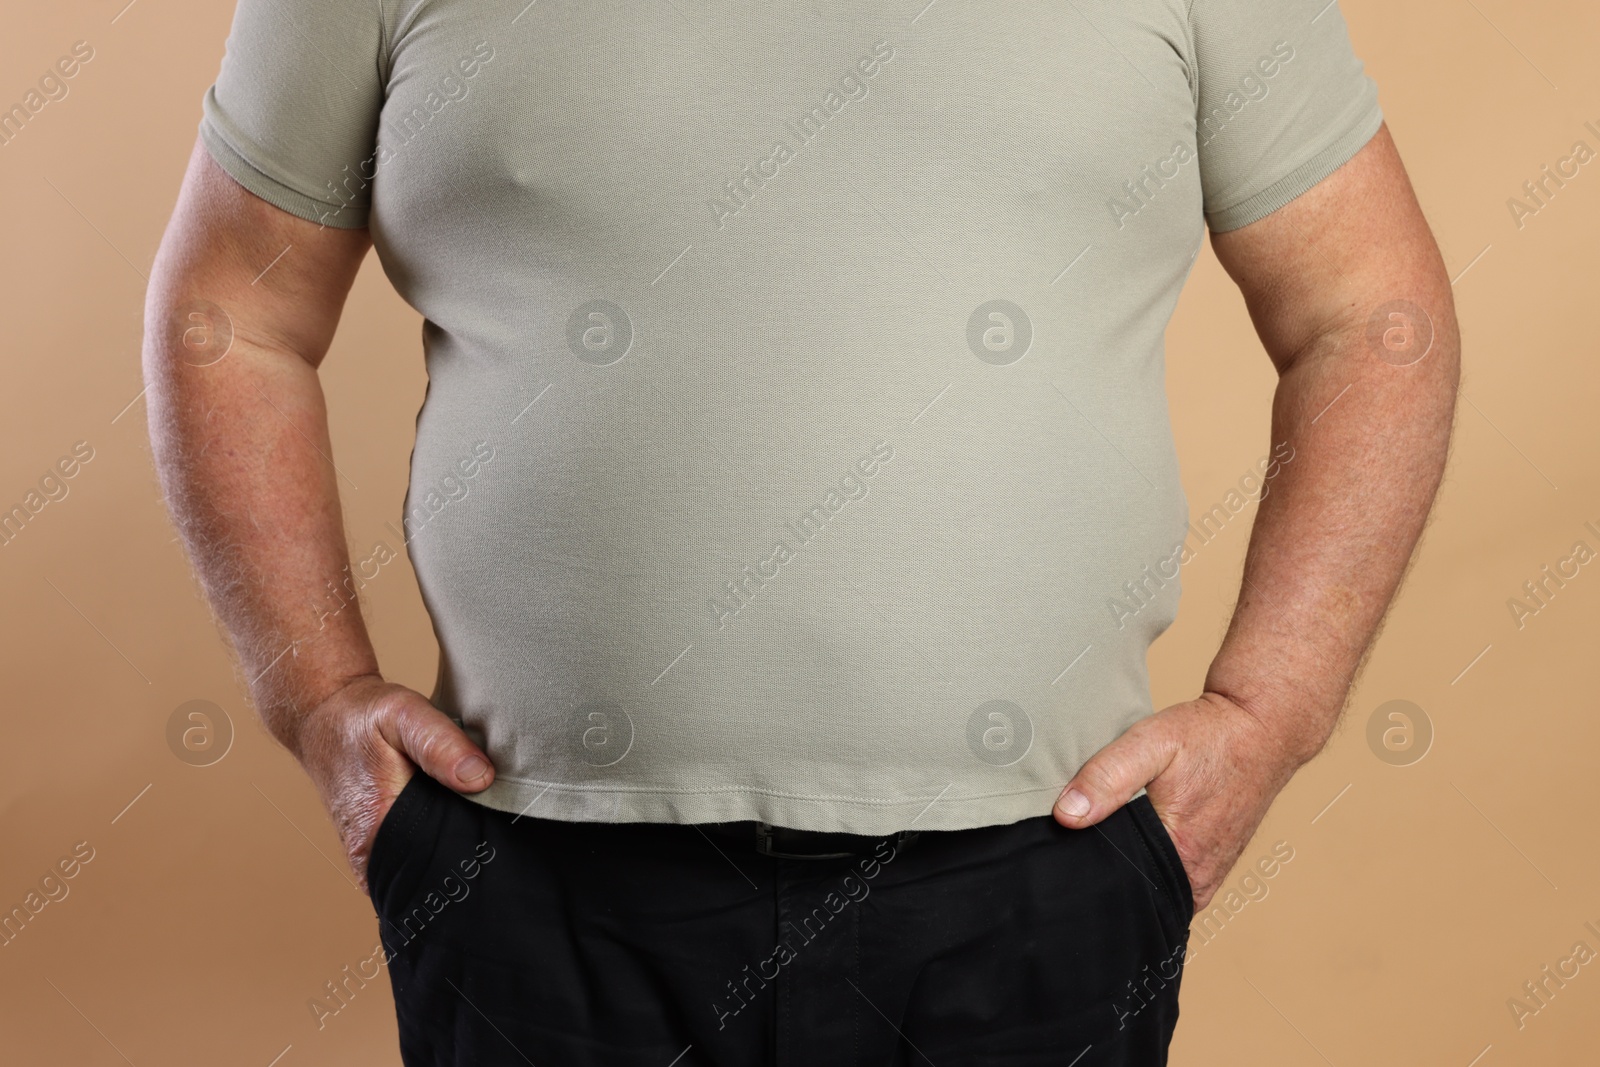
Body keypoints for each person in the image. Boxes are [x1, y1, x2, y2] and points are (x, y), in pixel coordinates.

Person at [143, 0, 1457, 1063]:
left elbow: (1370, 319)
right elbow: (229, 316)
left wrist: (1270, 710)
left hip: (1033, 878)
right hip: (532, 879)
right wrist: (314, 699)